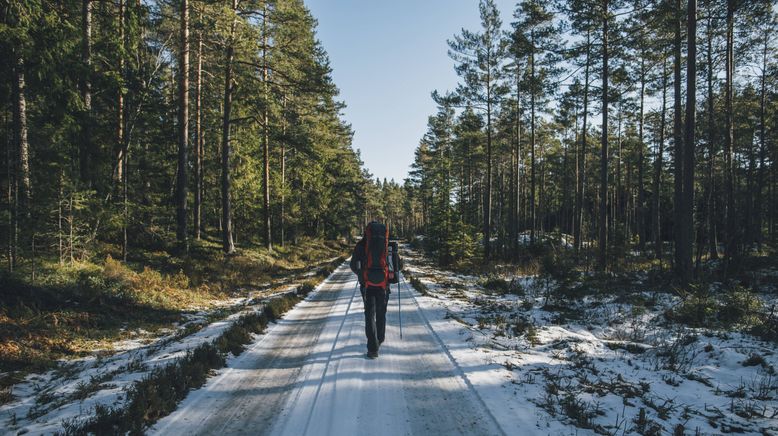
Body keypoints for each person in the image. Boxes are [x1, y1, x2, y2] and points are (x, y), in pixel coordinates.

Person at [349, 221, 399, 359]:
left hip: (367, 286)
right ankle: (380, 338)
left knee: (369, 314)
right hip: (384, 286)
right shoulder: (388, 246)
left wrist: (362, 275)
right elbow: (398, 266)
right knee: (381, 312)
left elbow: (353, 265)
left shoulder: (361, 245)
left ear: (367, 232)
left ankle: (372, 349)